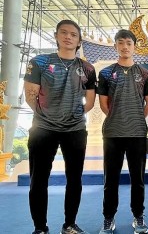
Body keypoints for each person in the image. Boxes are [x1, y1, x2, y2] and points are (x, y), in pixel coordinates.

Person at [24, 20, 96, 234]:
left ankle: (69, 224)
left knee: (75, 179)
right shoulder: (39, 62)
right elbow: (30, 96)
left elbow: (90, 100)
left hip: (74, 131)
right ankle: (40, 227)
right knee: (38, 180)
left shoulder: (87, 68)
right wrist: (48, 116)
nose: (68, 37)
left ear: (79, 41)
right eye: (64, 33)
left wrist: (74, 116)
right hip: (42, 129)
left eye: (73, 34)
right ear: (56, 36)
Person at [96, 29, 148, 234]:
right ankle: (108, 218)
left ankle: (138, 217)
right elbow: (104, 104)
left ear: (134, 47)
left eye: (129, 43)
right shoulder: (105, 73)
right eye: (121, 43)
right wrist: (117, 118)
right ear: (115, 47)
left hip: (137, 133)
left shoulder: (145, 74)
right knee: (110, 179)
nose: (125, 46)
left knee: (137, 179)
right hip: (112, 133)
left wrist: (136, 117)